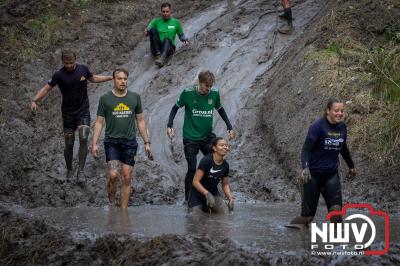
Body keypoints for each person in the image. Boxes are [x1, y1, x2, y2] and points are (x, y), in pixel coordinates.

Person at [30, 49, 113, 181]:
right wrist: (35, 100)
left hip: (83, 110)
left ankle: (80, 171)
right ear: (63, 62)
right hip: (68, 113)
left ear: (75, 60)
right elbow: (46, 88)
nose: (69, 65)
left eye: (71, 63)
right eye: (66, 63)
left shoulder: (83, 69)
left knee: (83, 138)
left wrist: (109, 77)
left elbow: (93, 78)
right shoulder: (59, 75)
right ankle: (69, 170)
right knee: (69, 144)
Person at [167, 70, 236, 202]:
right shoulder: (187, 93)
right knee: (192, 168)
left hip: (207, 137)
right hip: (190, 137)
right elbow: (175, 108)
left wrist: (229, 126)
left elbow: (220, 109)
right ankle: (188, 199)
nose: (208, 89)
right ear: (200, 83)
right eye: (206, 86)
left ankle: (211, 192)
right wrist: (169, 125)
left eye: (210, 86)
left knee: (214, 162)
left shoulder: (214, 93)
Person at [288, 99, 357, 227]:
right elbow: (305, 150)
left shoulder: (342, 127)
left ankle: (336, 245)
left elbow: (343, 148)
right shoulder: (317, 126)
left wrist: (351, 166)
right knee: (307, 218)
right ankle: (290, 229)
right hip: (312, 176)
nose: (340, 113)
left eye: (342, 111)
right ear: (328, 111)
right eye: (336, 111)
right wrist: (305, 168)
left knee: (336, 215)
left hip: (331, 175)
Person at [91, 68, 153, 209]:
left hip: (130, 143)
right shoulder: (105, 99)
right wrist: (94, 144)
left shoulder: (134, 97)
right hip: (112, 141)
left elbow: (141, 120)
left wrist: (147, 142)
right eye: (119, 78)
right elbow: (99, 122)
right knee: (113, 174)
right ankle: (112, 204)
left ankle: (124, 213)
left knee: (126, 177)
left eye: (125, 78)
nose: (122, 81)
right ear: (113, 80)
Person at [189, 137, 234, 214]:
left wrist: (230, 198)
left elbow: (225, 184)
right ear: (214, 148)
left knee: (226, 214)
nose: (225, 147)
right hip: (197, 194)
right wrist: (206, 194)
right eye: (221, 145)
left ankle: (208, 207)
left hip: (213, 193)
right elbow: (195, 181)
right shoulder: (206, 160)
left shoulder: (226, 165)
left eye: (226, 145)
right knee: (195, 217)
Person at [144, 2, 189, 67]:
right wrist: (146, 32)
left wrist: (185, 40)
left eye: (167, 11)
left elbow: (181, 35)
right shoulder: (155, 21)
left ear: (170, 11)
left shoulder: (176, 22)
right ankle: (159, 54)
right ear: (161, 12)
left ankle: (162, 58)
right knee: (153, 30)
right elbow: (148, 29)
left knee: (167, 38)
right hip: (157, 48)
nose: (165, 14)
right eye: (163, 11)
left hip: (169, 48)